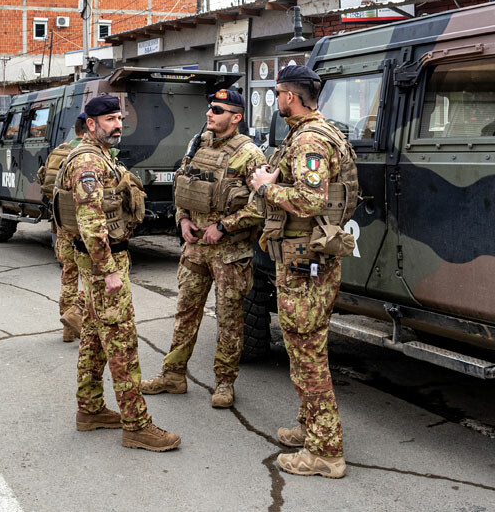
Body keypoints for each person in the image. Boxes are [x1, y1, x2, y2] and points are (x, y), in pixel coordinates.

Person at [249, 64, 358, 480]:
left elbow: (309, 202)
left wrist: (263, 187)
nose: (276, 101)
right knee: (303, 349)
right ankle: (310, 427)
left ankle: (326, 452)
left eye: (277, 94)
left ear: (290, 97)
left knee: (308, 355)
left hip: (302, 263)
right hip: (307, 259)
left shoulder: (310, 139)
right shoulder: (319, 132)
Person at [54, 95, 180, 452]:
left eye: (119, 118)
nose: (118, 124)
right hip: (103, 264)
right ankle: (137, 425)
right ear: (91, 124)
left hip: (97, 262)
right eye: (109, 119)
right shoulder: (89, 162)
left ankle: (90, 409)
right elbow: (91, 222)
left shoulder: (97, 155)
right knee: (122, 342)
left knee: (94, 335)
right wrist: (107, 269)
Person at [141, 88, 265, 409]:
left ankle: (224, 383)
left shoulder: (250, 155)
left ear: (236, 118)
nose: (210, 114)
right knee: (186, 311)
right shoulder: (197, 144)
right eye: (210, 108)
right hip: (195, 247)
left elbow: (261, 206)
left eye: (218, 110)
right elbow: (183, 187)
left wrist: (223, 227)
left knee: (229, 317)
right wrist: (183, 221)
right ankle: (173, 374)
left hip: (229, 251)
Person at [37, 112, 89, 342]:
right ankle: (82, 323)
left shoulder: (58, 152)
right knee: (91, 277)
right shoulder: (91, 154)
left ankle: (68, 330)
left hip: (61, 225)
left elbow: (43, 181)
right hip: (86, 226)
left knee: (68, 274)